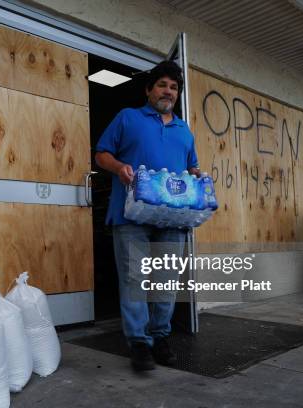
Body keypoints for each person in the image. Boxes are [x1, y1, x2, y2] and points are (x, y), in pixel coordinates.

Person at [95, 61, 200, 371]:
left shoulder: (184, 130)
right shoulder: (128, 118)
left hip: (172, 218)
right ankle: (139, 342)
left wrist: (196, 176)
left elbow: (191, 165)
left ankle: (160, 336)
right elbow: (101, 153)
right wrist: (117, 167)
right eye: (162, 85)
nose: (168, 91)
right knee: (135, 280)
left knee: (166, 282)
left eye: (174, 87)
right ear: (148, 89)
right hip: (131, 216)